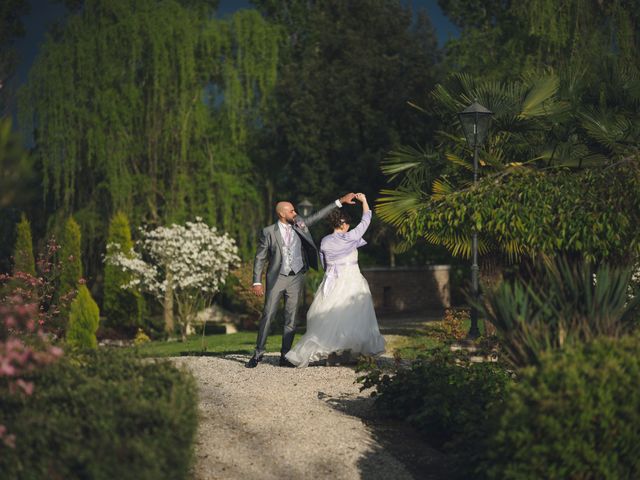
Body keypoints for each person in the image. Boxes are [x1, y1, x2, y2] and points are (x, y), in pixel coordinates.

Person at [245, 193, 357, 368]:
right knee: (268, 315)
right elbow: (260, 258)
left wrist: (340, 201)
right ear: (282, 214)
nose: (295, 213)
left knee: (291, 319)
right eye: (291, 211)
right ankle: (258, 353)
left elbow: (319, 215)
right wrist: (256, 282)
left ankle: (285, 356)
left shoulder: (300, 225)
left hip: (296, 277)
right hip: (277, 278)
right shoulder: (268, 232)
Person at [285, 193, 385, 368]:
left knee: (332, 316)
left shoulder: (324, 241)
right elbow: (366, 221)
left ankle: (332, 354)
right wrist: (364, 201)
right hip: (352, 280)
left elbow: (325, 265)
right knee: (353, 317)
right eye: (348, 224)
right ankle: (352, 353)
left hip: (331, 281)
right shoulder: (351, 237)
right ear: (344, 224)